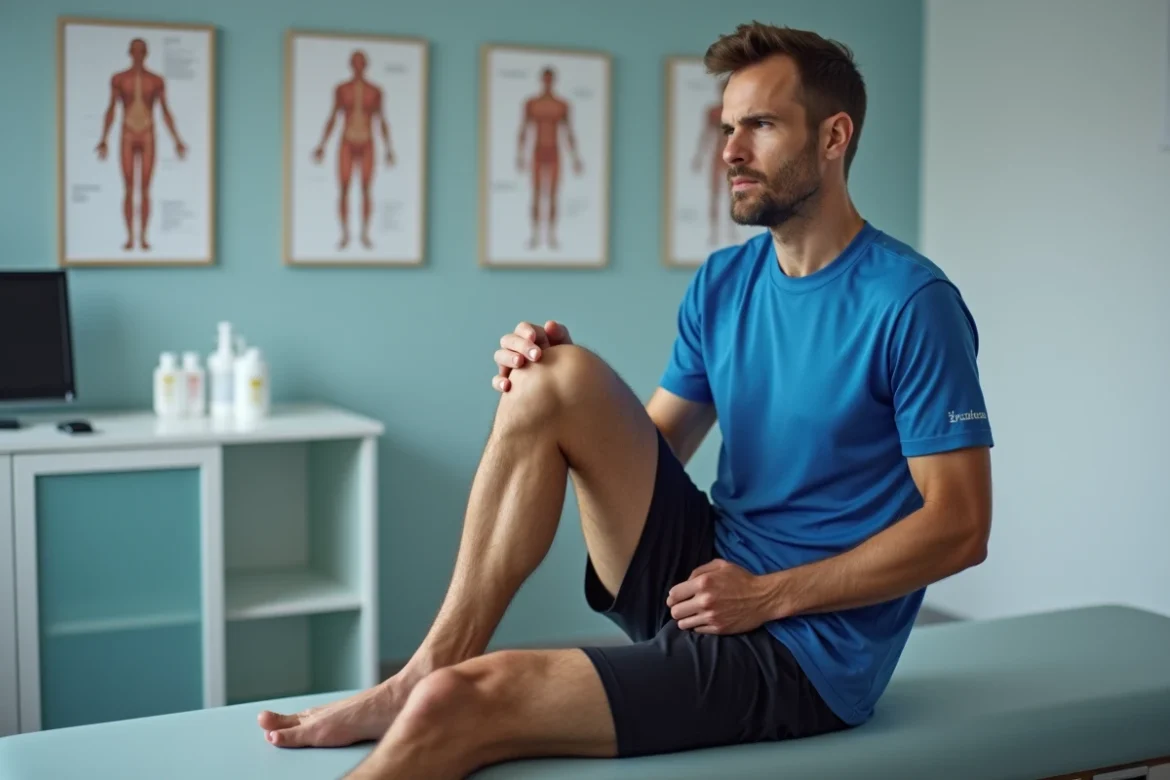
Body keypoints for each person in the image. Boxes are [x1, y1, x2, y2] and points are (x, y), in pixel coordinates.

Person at [257, 21, 995, 780]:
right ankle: (417, 670)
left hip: (807, 649)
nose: (731, 152)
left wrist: (768, 597)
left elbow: (961, 528)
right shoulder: (725, 282)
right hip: (707, 577)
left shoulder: (911, 303)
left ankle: (430, 690)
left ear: (834, 136)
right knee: (556, 377)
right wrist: (561, 398)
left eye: (762, 126)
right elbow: (655, 447)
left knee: (466, 702)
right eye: (728, 128)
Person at [95, 37, 187, 252]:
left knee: (145, 188)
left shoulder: (156, 80)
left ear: (146, 53)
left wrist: (177, 140)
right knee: (128, 187)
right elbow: (111, 109)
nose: (138, 54)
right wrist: (104, 138)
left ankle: (143, 237)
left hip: (147, 134)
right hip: (127, 133)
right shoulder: (119, 78)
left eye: (141, 50)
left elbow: (165, 111)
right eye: (135, 50)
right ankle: (129, 237)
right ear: (130, 52)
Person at [312, 50, 395, 250]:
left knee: (366, 189)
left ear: (365, 65)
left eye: (361, 62)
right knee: (344, 188)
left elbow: (382, 119)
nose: (358, 66)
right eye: (355, 62)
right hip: (347, 140)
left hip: (367, 141)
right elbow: (333, 116)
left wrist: (389, 148)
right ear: (351, 65)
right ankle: (345, 234)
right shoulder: (342, 89)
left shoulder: (375, 91)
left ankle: (365, 234)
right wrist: (322, 144)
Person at [516, 66, 583, 250]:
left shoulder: (562, 105)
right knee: (536, 193)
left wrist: (575, 158)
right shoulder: (532, 103)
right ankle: (535, 235)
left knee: (553, 194)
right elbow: (523, 129)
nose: (547, 82)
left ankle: (552, 235)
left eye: (549, 79)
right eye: (545, 78)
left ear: (553, 80)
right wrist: (520, 155)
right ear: (541, 80)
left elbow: (568, 132)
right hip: (537, 151)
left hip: (554, 151)